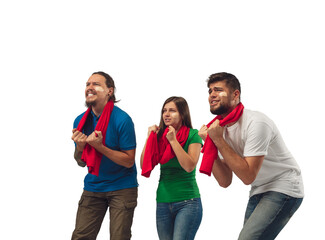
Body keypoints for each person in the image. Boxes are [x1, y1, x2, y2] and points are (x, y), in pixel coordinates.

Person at [199, 72, 304, 240]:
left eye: (218, 90)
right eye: (210, 91)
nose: (212, 95)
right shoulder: (219, 129)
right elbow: (225, 181)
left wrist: (217, 139)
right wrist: (210, 143)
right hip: (259, 189)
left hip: (284, 187)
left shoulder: (256, 123)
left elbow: (247, 175)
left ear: (235, 95)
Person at [71, 71, 138, 240]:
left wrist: (99, 147)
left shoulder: (122, 120)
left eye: (96, 84)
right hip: (94, 186)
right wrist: (80, 147)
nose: (89, 88)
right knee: (80, 237)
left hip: (122, 188)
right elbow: (81, 162)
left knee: (119, 237)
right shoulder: (80, 121)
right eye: (87, 84)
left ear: (110, 91)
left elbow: (129, 161)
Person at [140, 96, 203, 240]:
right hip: (163, 202)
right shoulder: (159, 136)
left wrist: (173, 141)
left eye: (172, 111)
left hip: (188, 202)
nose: (166, 114)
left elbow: (189, 166)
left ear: (182, 114)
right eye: (164, 111)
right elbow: (144, 165)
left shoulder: (194, 135)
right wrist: (149, 138)